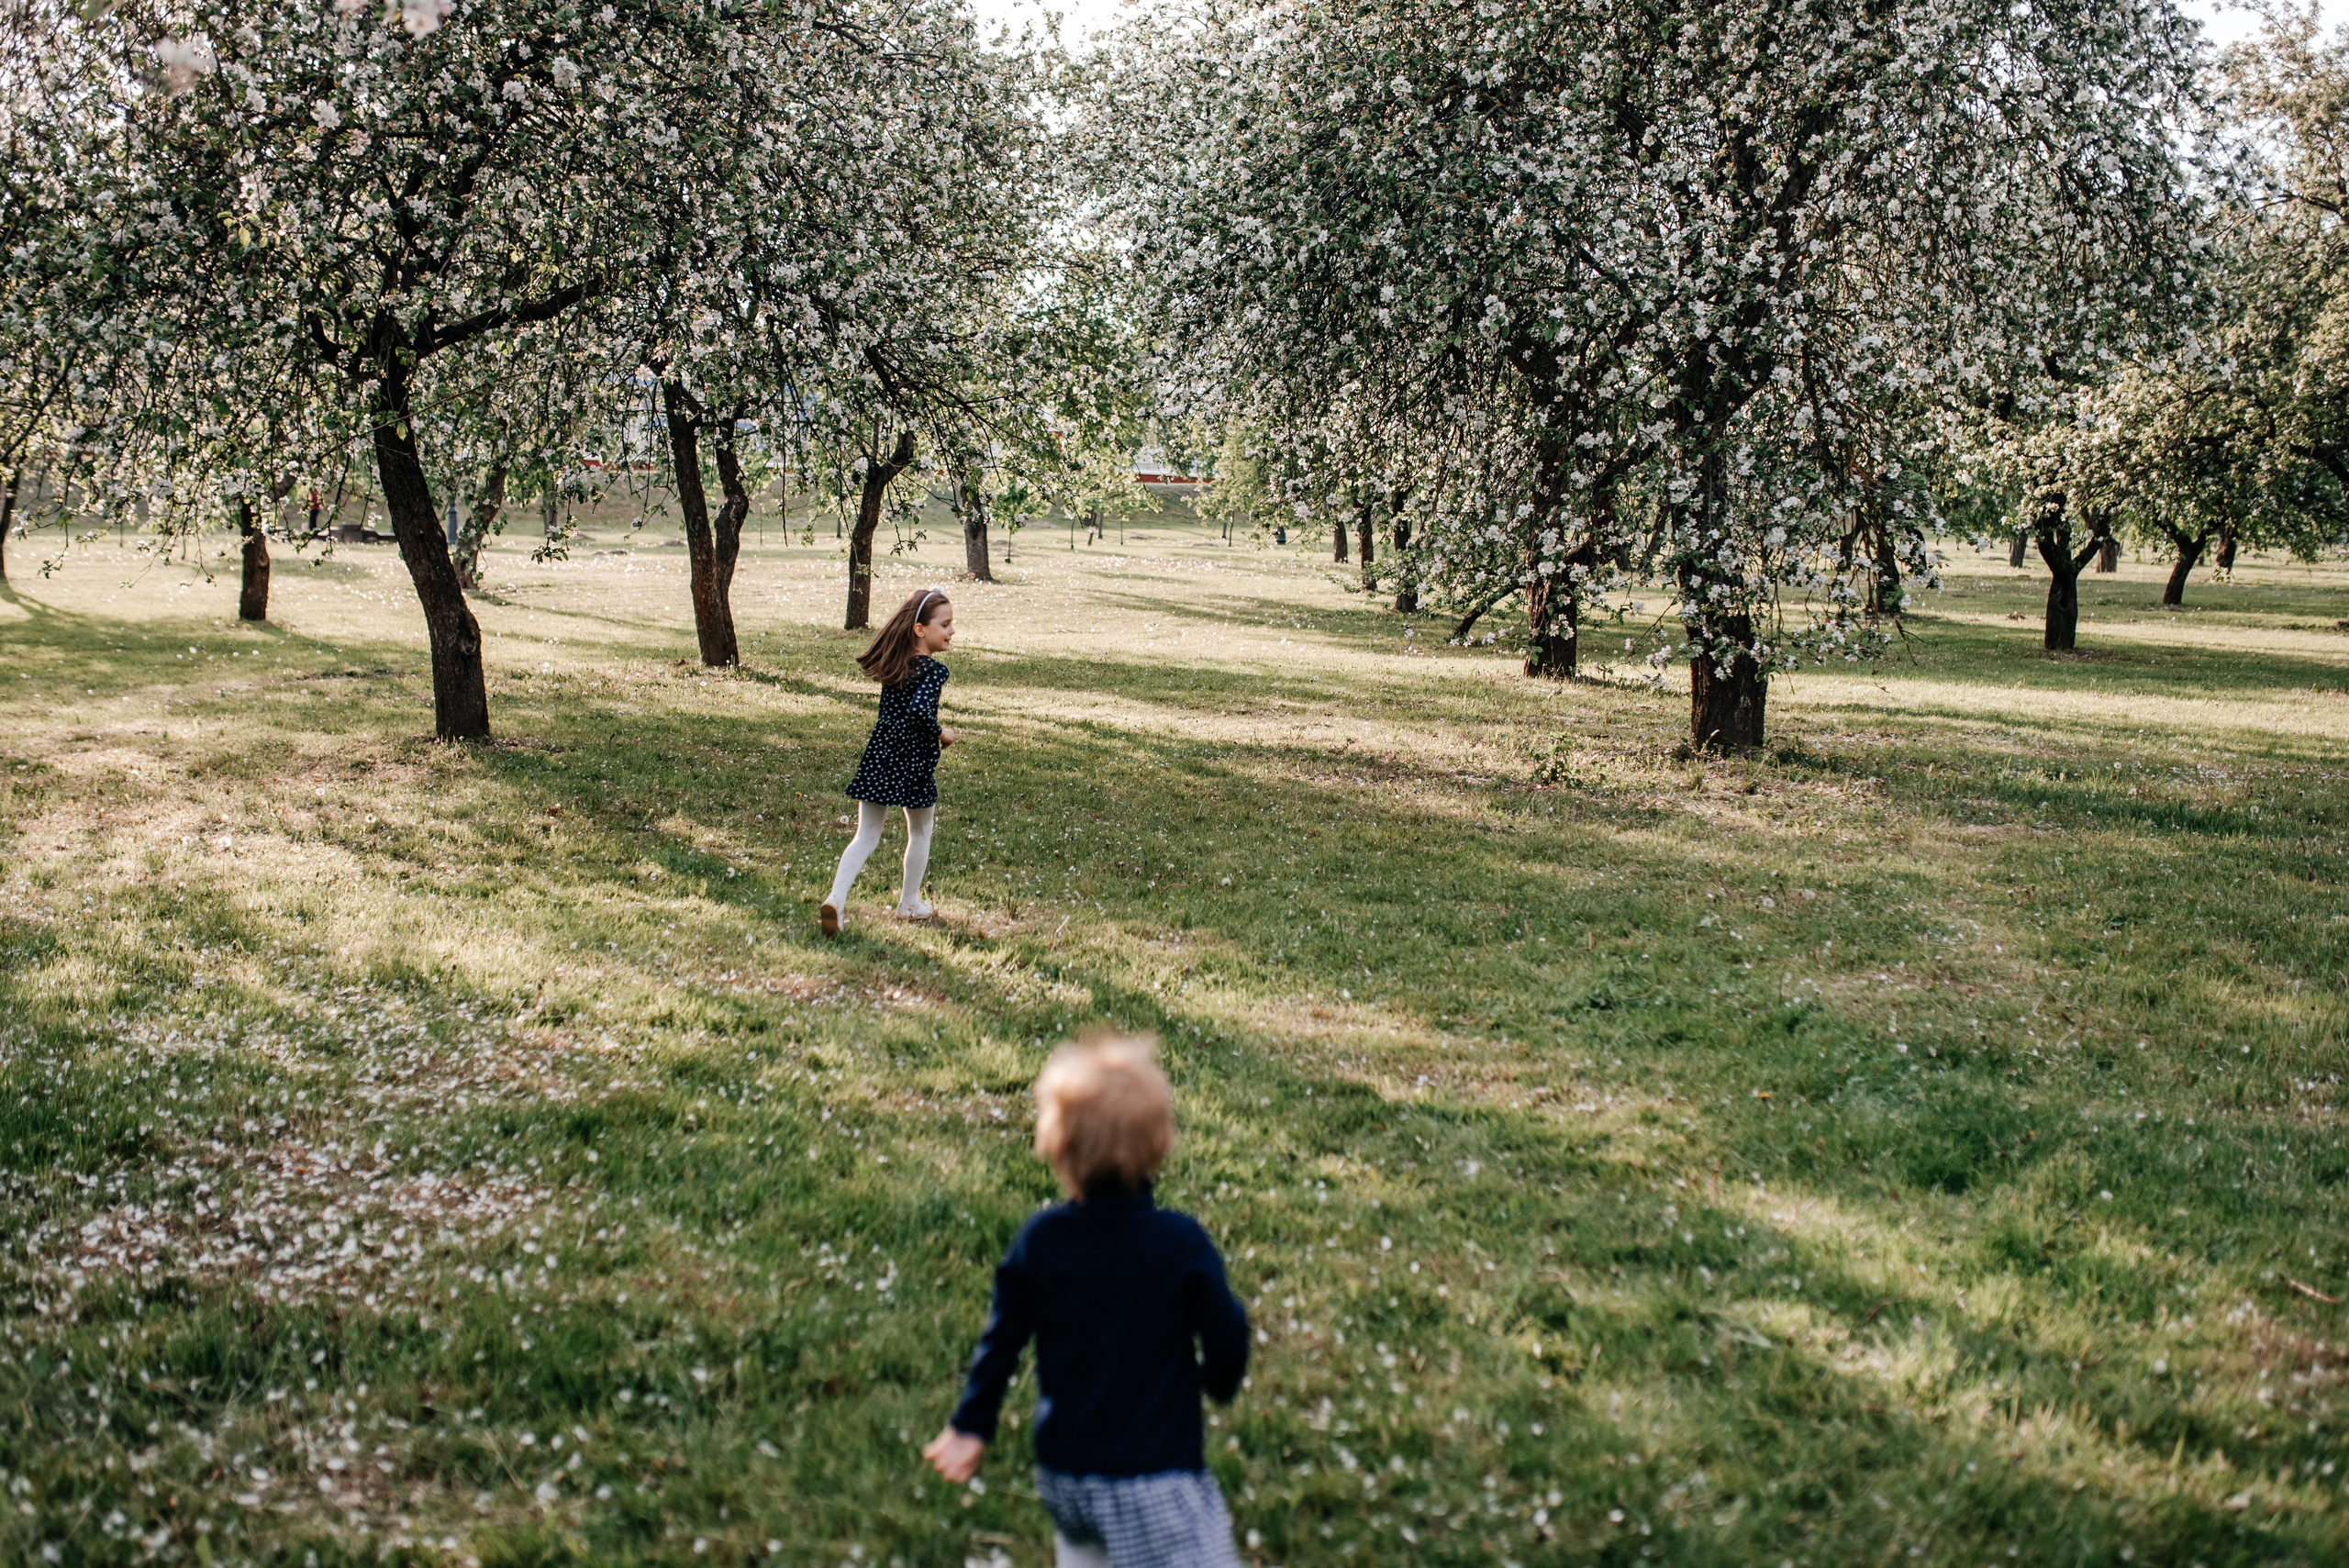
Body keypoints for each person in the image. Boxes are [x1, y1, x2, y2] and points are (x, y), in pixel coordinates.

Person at [923, 1035, 1251, 1568]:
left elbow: (1001, 1341)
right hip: (1152, 1476)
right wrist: (1220, 1379)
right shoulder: (1178, 1244)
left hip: (1066, 1477)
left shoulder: (1041, 1241)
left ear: (1056, 1145)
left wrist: (971, 1426)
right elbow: (1226, 1333)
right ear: (1160, 1142)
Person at [820, 586, 957, 935]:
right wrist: (942, 734)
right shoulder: (933, 670)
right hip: (912, 763)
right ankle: (909, 903)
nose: (952, 631)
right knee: (921, 830)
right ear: (920, 629)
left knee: (865, 835)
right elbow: (919, 714)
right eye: (945, 624)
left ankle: (836, 898)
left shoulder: (896, 664)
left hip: (881, 757)